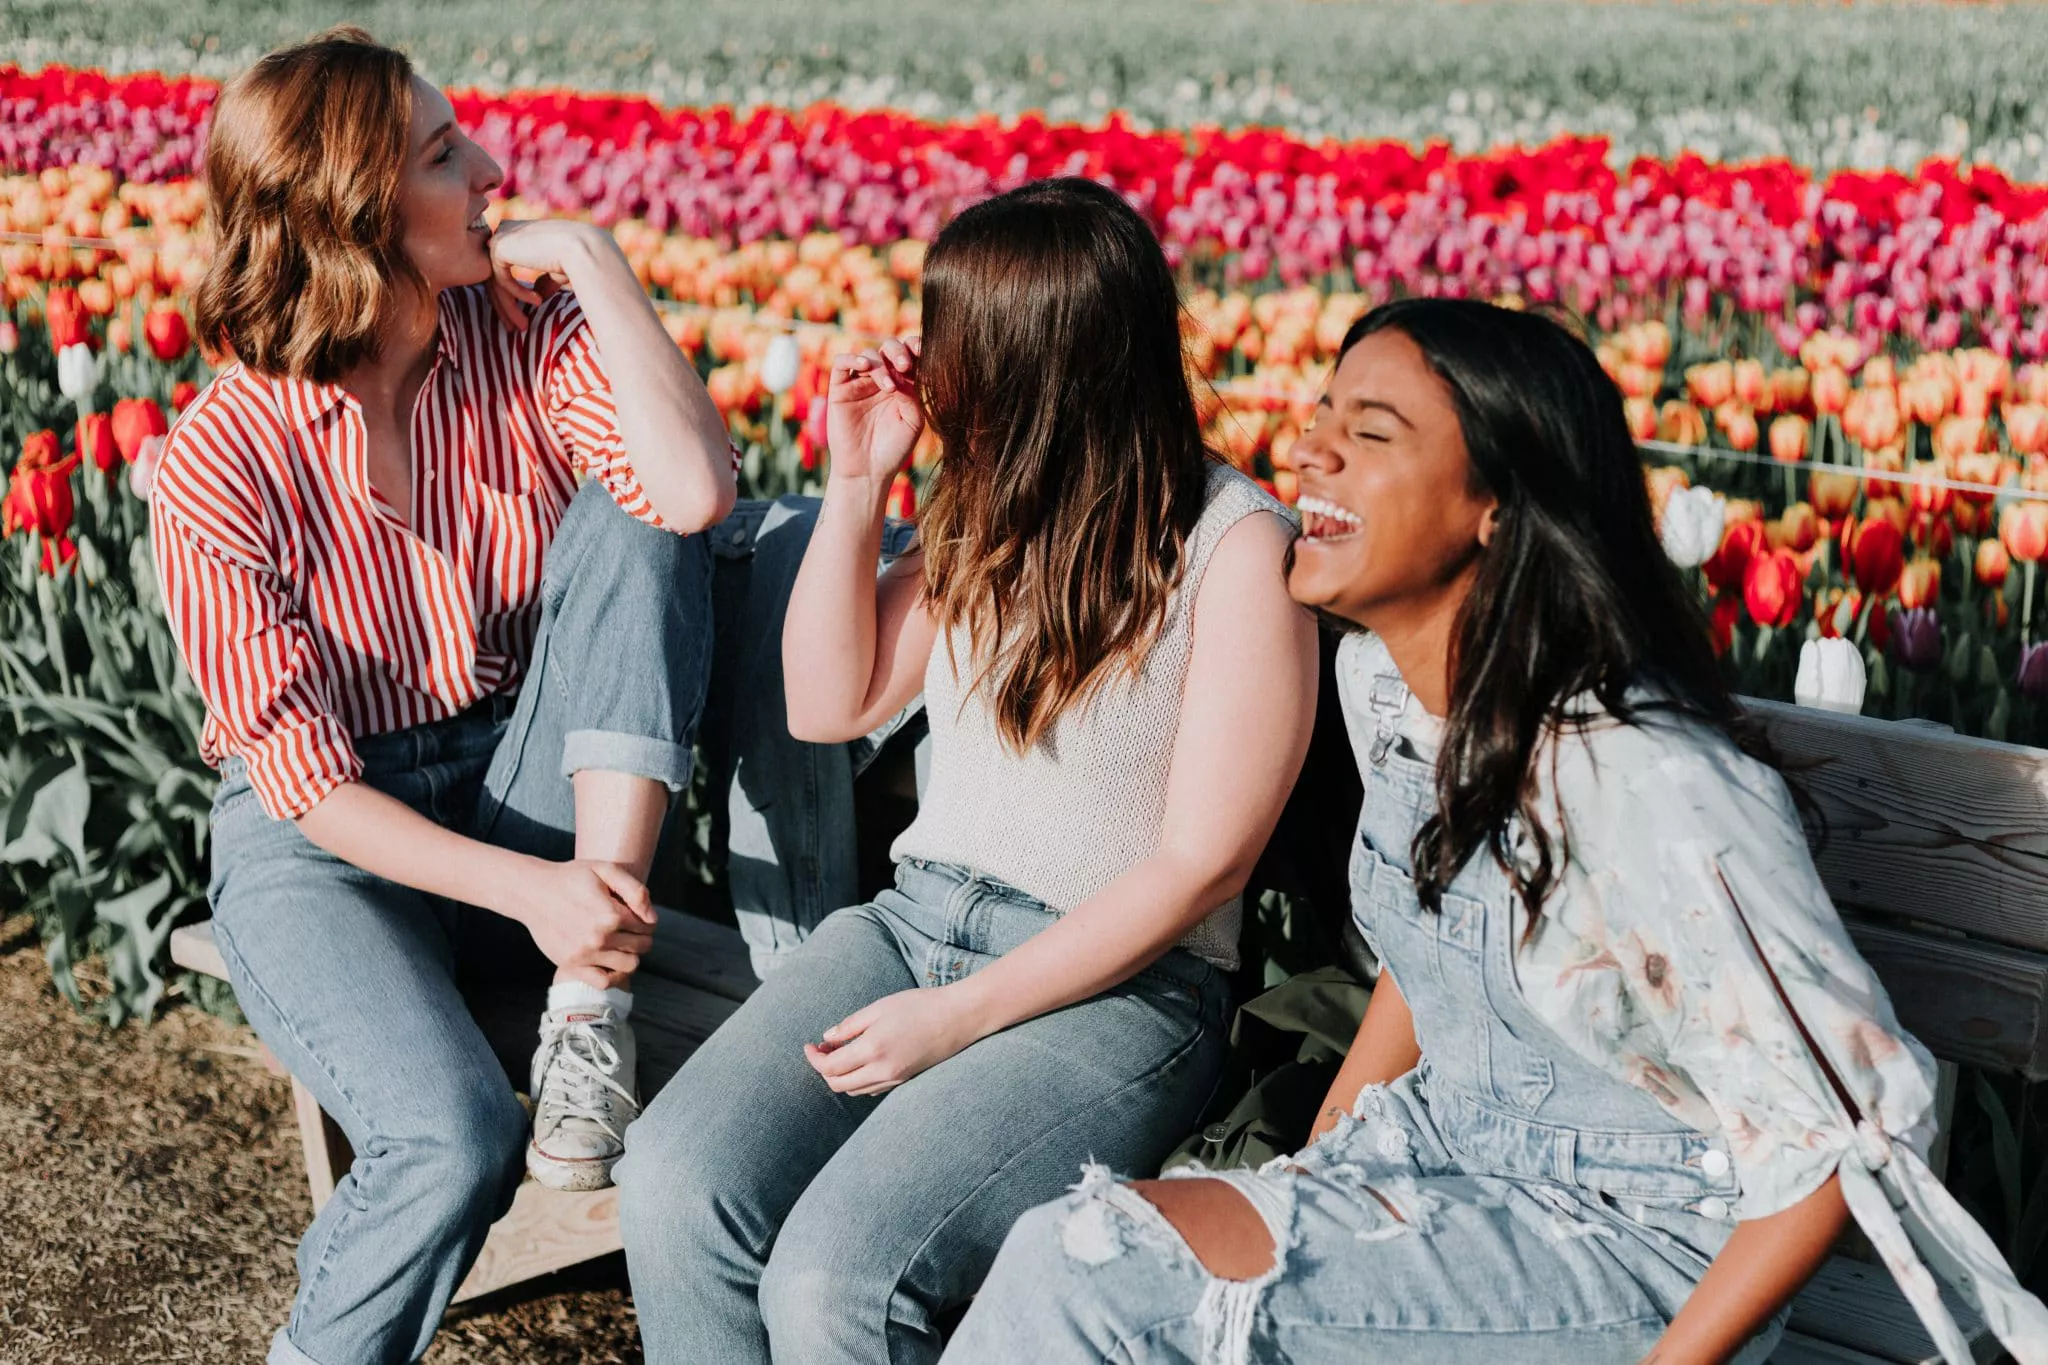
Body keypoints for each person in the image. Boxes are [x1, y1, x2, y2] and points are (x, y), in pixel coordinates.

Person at [946, 299, 2048, 1365]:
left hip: (1636, 1246)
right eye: (1321, 414)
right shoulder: (1383, 685)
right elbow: (1438, 955)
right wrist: (1324, 1154)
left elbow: (1827, 1137)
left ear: (1499, 507)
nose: (1312, 448)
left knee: (1091, 1278)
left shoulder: (1640, 781)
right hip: (1435, 1163)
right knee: (1077, 1255)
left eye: (1368, 431)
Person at [616, 177, 1320, 1365]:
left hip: (1120, 988)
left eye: (949, 339)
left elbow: (1208, 861)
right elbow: (827, 701)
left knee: (839, 1277)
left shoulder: (1233, 546)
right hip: (908, 927)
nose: (924, 365)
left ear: (1037, 365)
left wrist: (955, 1021)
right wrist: (856, 484)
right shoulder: (987, 513)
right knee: (677, 1185)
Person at [149, 28, 739, 1365]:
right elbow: (304, 784)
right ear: (353, 214)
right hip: (329, 846)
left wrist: (593, 257)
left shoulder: (523, 336)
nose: (490, 167)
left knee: (638, 514)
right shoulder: (217, 467)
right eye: (441, 153)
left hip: (520, 781)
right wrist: (534, 896)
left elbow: (692, 498)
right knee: (450, 1138)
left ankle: (586, 1011)